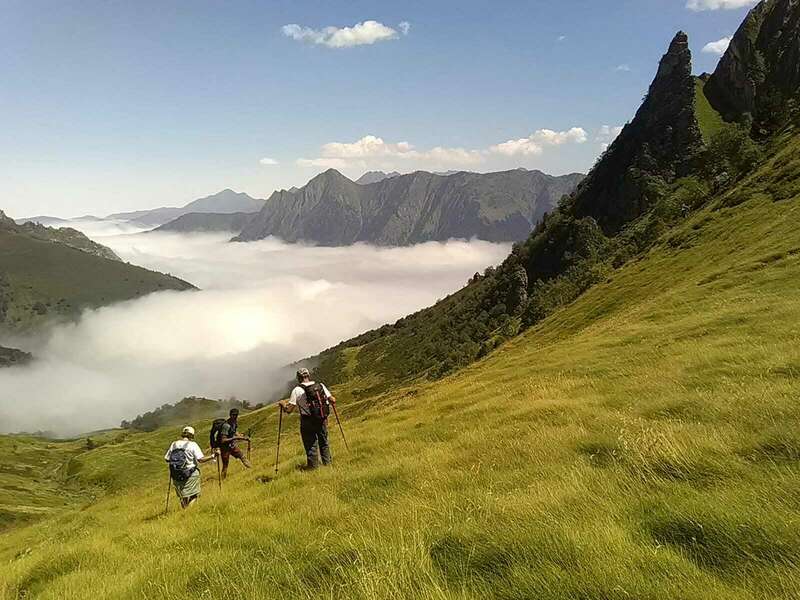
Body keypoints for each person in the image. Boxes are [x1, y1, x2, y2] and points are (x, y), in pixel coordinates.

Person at [279, 368, 336, 469]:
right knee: (324, 442)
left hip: (307, 420)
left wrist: (283, 404)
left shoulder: (297, 390)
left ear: (298, 378)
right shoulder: (320, 385)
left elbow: (289, 410)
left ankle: (314, 468)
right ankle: (328, 464)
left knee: (311, 445)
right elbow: (332, 400)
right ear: (308, 375)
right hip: (321, 418)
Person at [164, 426, 216, 509]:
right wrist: (213, 456)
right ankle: (188, 512)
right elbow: (201, 459)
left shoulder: (174, 444)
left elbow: (167, 458)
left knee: (183, 496)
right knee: (194, 495)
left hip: (176, 474)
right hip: (190, 473)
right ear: (192, 435)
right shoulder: (193, 445)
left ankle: (184, 510)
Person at [217, 408, 251, 479]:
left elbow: (234, 431)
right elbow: (223, 440)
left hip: (232, 445)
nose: (235, 416)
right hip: (224, 448)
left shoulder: (234, 423)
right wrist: (235, 438)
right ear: (230, 415)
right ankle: (223, 480)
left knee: (242, 457)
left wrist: (242, 436)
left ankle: (252, 471)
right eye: (233, 415)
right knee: (225, 466)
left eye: (236, 415)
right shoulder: (226, 426)